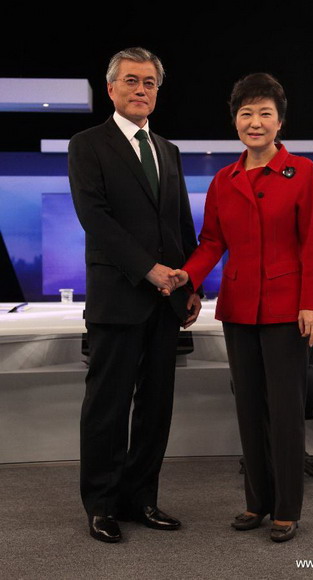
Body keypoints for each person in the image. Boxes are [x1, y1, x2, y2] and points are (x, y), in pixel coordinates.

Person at [164, 72, 313, 542]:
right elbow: (212, 241)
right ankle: (256, 503)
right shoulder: (223, 179)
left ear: (280, 121)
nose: (254, 122)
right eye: (246, 113)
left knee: (285, 410)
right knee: (249, 410)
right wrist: (187, 276)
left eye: (264, 114)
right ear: (235, 121)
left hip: (286, 311)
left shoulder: (303, 172)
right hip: (238, 310)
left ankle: (287, 508)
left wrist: (311, 304)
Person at [68, 47, 202, 543]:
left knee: (156, 406)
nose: (140, 89)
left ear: (157, 92)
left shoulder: (168, 150)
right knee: (107, 405)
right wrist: (148, 270)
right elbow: (95, 219)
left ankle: (141, 497)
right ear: (111, 89)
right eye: (130, 81)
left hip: (168, 302)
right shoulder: (87, 144)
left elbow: (181, 223)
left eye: (149, 82)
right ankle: (101, 504)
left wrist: (192, 282)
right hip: (119, 296)